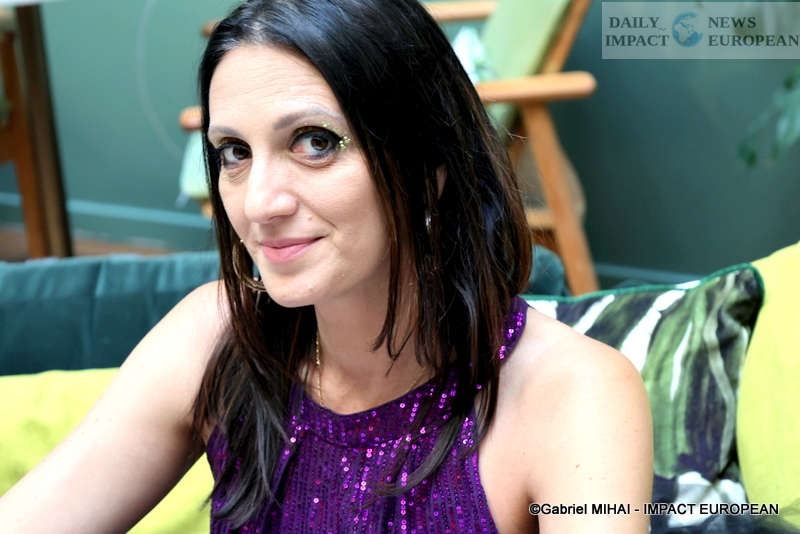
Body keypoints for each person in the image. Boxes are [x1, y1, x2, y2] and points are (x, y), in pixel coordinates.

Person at [0, 0, 652, 532]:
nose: (259, 204)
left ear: (430, 167)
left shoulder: (572, 396)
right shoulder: (215, 339)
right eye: (234, 152)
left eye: (315, 142)